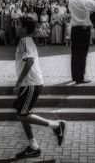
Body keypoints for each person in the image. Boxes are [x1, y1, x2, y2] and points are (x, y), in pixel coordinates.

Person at [13, 16, 66, 159]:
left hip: (30, 84)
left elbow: (29, 61)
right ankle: (33, 147)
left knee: (22, 115)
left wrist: (18, 83)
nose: (15, 27)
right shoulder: (26, 40)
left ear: (24, 28)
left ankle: (56, 125)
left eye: (18, 24)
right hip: (31, 84)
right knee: (23, 114)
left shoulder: (24, 40)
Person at [68, 0, 95, 84]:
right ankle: (80, 77)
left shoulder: (71, 1)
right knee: (82, 54)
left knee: (75, 54)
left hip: (74, 29)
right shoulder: (86, 0)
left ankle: (75, 76)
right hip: (84, 30)